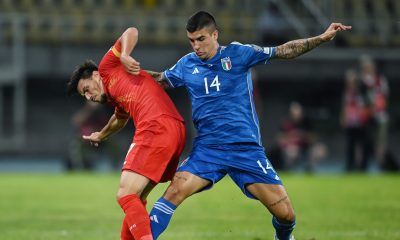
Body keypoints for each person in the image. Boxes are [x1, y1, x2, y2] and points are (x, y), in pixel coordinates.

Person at [146, 11, 351, 240]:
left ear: (215, 35)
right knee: (174, 192)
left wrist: (321, 38)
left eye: (201, 39)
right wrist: (119, 79)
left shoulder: (238, 53)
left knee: (286, 215)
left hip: (245, 149)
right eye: (191, 41)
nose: (196, 46)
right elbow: (158, 81)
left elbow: (283, 50)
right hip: (208, 150)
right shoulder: (187, 64)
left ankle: (284, 237)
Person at [66, 27, 186, 240]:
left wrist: (125, 55)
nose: (88, 97)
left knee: (125, 193)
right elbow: (120, 119)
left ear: (95, 76)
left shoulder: (107, 67)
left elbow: (131, 31)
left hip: (155, 126)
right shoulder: (115, 95)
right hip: (174, 129)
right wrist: (101, 135)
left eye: (86, 89)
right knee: (136, 198)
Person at [276, 101, 326, 172]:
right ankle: (290, 170)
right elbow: (279, 139)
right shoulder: (286, 123)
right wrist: (291, 139)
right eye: (294, 112)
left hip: (306, 147)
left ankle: (309, 168)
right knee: (292, 151)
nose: (297, 114)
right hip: (292, 148)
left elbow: (314, 138)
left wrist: (303, 135)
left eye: (298, 112)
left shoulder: (307, 122)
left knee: (321, 149)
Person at [359, 55, 389, 168]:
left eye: (369, 67)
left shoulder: (380, 80)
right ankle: (363, 165)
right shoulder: (361, 81)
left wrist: (375, 107)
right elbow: (360, 99)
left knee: (381, 142)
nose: (367, 69)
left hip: (380, 115)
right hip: (366, 117)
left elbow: (384, 98)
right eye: (365, 67)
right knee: (365, 142)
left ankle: (382, 164)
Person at [340, 69, 370, 171]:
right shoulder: (346, 93)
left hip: (361, 122)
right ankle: (349, 166)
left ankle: (363, 167)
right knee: (350, 146)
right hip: (350, 123)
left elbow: (367, 105)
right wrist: (343, 118)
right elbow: (344, 106)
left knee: (363, 145)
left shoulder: (361, 92)